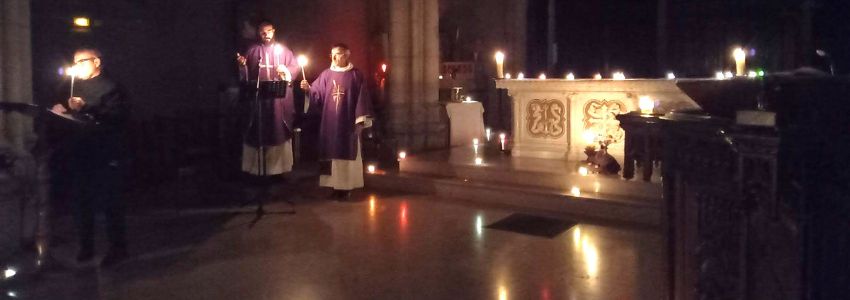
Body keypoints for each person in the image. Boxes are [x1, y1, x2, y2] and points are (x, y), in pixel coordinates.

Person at [50, 48, 129, 267]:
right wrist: (62, 112)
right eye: (74, 62)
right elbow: (75, 116)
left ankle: (117, 248)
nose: (76, 66)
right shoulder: (74, 85)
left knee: (110, 201)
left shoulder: (111, 87)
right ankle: (86, 246)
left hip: (105, 151)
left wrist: (87, 107)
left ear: (96, 62)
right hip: (81, 150)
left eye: (81, 62)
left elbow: (117, 117)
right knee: (82, 201)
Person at [300, 43, 374, 199]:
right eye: (332, 54)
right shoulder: (326, 74)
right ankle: (335, 186)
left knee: (347, 152)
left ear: (347, 55)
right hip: (330, 122)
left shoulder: (356, 75)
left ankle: (346, 187)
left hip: (348, 123)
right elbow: (316, 94)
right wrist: (308, 89)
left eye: (338, 53)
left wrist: (360, 120)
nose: (334, 57)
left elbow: (362, 99)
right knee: (331, 152)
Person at [236, 21, 300, 177]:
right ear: (259, 33)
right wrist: (242, 66)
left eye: (268, 31)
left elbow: (294, 68)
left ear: (274, 31)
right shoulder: (252, 51)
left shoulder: (284, 51)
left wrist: (285, 72)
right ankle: (257, 171)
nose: (266, 35)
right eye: (263, 32)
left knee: (277, 131)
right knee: (258, 132)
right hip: (259, 102)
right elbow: (246, 77)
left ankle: (277, 172)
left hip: (278, 102)